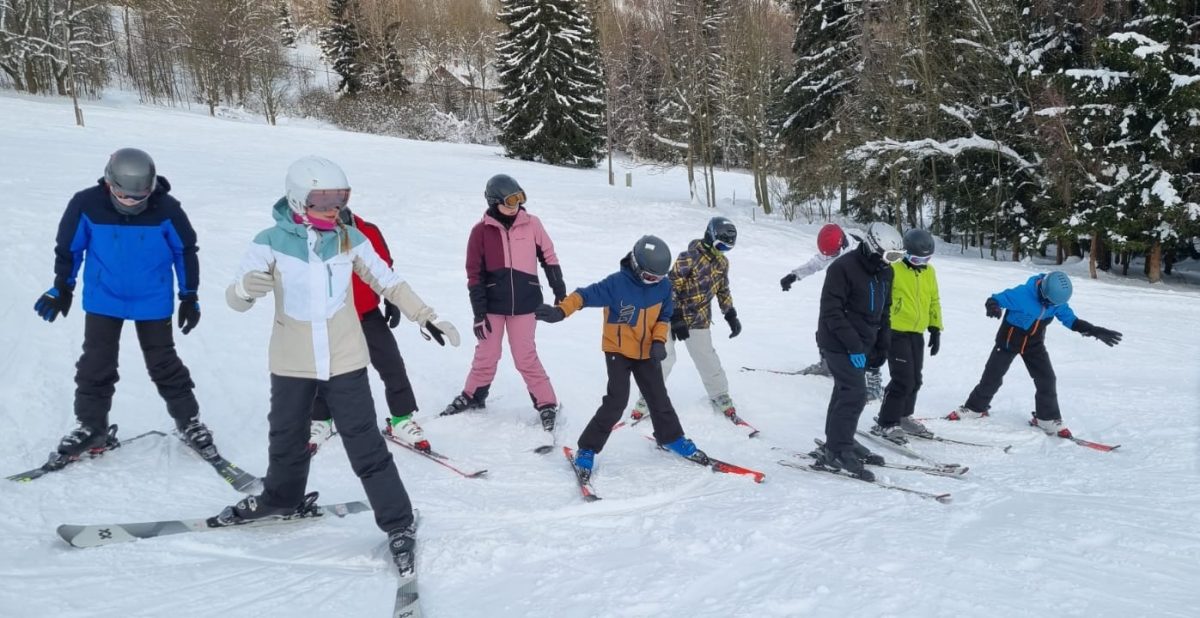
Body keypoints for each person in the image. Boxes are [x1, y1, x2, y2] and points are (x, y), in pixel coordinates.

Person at [220, 156, 461, 576]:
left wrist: (426, 316)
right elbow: (236, 301)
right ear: (298, 199)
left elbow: (388, 281)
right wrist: (243, 289)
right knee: (286, 438)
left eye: (340, 199)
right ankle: (281, 499)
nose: (333, 209)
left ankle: (398, 522)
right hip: (292, 361)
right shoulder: (268, 242)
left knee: (365, 444)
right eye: (322, 200)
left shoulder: (350, 239)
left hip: (345, 359)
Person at [34, 147, 213, 461]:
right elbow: (69, 248)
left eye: (139, 196)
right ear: (109, 182)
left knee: (163, 362)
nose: (130, 202)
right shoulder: (86, 204)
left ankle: (189, 421)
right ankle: (91, 427)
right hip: (105, 297)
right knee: (96, 362)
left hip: (152, 298)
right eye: (123, 195)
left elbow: (185, 250)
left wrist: (189, 295)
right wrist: (62, 287)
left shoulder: (167, 209)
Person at [534, 235, 705, 478]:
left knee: (658, 397)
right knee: (616, 402)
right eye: (649, 277)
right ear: (636, 265)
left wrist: (658, 341)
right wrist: (560, 312)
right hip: (618, 351)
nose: (654, 282)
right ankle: (587, 448)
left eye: (659, 277)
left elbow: (664, 317)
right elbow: (583, 296)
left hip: (647, 352)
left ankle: (671, 438)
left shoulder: (663, 287)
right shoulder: (616, 285)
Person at [440, 175, 566, 433]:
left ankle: (546, 403)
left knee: (525, 356)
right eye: (509, 202)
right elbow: (474, 275)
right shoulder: (480, 232)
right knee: (487, 353)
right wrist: (479, 314)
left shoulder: (532, 224)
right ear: (494, 202)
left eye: (519, 200)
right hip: (492, 306)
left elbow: (549, 257)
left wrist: (559, 290)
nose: (515, 207)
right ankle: (473, 395)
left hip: (525, 304)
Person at [308, 206, 429, 453]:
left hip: (367, 314)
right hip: (331, 317)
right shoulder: (313, 236)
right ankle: (321, 419)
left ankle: (401, 419)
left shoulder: (369, 231)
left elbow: (384, 267)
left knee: (391, 364)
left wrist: (392, 301)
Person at [950, 271, 1122, 437]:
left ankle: (1046, 418)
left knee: (1047, 379)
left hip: (1034, 345)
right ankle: (974, 408)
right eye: (1049, 302)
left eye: (1054, 304)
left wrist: (1094, 330)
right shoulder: (1022, 294)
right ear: (1043, 292)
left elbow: (1071, 321)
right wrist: (993, 306)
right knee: (992, 376)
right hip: (1008, 342)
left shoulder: (1056, 302)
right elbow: (995, 299)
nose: (1051, 306)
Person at [807, 222, 905, 482]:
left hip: (863, 342)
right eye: (889, 256)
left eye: (896, 257)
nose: (891, 262)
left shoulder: (886, 272)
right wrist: (852, 345)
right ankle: (838, 451)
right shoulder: (842, 268)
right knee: (854, 393)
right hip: (837, 341)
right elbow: (832, 312)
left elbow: (884, 311)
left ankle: (840, 439)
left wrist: (882, 345)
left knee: (845, 391)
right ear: (873, 247)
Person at [629, 217, 743, 422]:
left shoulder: (722, 263)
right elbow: (670, 289)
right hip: (668, 315)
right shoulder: (688, 258)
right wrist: (676, 317)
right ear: (710, 237)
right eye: (721, 246)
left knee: (706, 357)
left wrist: (730, 314)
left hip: (699, 318)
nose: (722, 252)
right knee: (664, 357)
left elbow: (723, 290)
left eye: (727, 249)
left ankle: (719, 394)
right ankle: (647, 398)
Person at [780, 224, 882, 399]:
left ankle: (873, 380)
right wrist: (794, 276)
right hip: (839, 296)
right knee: (826, 329)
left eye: (833, 254)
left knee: (865, 338)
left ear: (842, 245)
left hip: (861, 301)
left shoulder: (860, 250)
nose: (829, 257)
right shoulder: (834, 248)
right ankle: (827, 364)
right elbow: (816, 263)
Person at [870, 229, 942, 443]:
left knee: (916, 379)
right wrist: (878, 330)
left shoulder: (929, 272)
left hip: (916, 332)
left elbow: (934, 300)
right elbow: (881, 300)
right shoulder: (893, 269)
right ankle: (886, 422)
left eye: (926, 259)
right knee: (903, 379)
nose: (922, 263)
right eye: (917, 259)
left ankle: (903, 416)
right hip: (894, 331)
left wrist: (935, 327)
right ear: (905, 253)